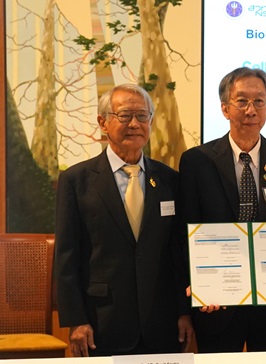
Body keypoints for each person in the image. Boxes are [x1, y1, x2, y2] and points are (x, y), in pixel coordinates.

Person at [54, 84, 192, 356]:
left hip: (162, 324)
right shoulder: (76, 181)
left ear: (150, 122)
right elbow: (66, 258)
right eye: (125, 115)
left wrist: (184, 313)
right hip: (101, 323)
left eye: (142, 116)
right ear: (103, 122)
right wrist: (76, 320)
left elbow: (177, 254)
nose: (134, 124)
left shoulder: (169, 180)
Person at [179, 67, 266, 352]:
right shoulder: (197, 161)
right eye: (241, 101)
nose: (251, 110)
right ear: (225, 108)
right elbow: (185, 232)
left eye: (259, 101)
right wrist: (198, 287)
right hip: (218, 303)